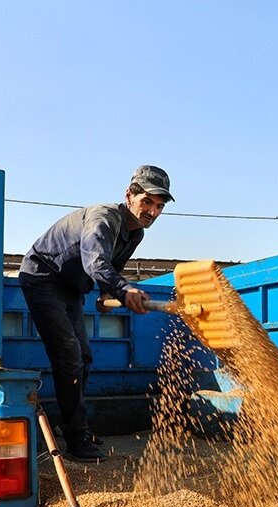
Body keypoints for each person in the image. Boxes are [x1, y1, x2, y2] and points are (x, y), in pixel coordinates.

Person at [19, 165, 174, 462]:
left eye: (158, 206)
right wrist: (123, 291)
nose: (152, 212)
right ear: (129, 195)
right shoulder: (104, 218)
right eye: (147, 202)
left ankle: (75, 427)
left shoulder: (136, 233)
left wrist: (106, 293)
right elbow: (96, 261)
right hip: (42, 276)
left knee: (84, 358)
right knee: (69, 355)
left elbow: (113, 268)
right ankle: (77, 439)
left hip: (70, 287)